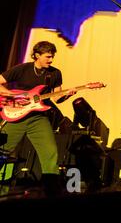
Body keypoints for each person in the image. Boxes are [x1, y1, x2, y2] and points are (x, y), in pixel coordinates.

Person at [0, 41, 76, 197]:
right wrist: (17, 95)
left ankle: (52, 190)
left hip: (38, 118)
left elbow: (56, 98)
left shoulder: (55, 73)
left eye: (52, 56)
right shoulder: (22, 69)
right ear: (37, 55)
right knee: (2, 150)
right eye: (48, 56)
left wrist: (67, 95)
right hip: (17, 116)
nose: (51, 60)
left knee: (50, 152)